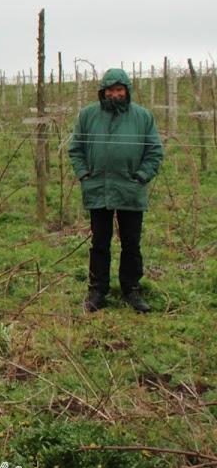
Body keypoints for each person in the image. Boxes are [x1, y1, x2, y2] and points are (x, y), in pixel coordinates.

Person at [68, 68, 163, 313]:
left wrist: (141, 177)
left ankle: (131, 289)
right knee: (100, 242)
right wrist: (85, 175)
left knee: (131, 243)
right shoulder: (88, 115)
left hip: (130, 190)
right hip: (98, 189)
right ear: (103, 92)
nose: (114, 94)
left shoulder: (143, 117)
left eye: (119, 90)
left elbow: (154, 152)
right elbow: (76, 148)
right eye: (110, 90)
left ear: (127, 91)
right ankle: (97, 290)